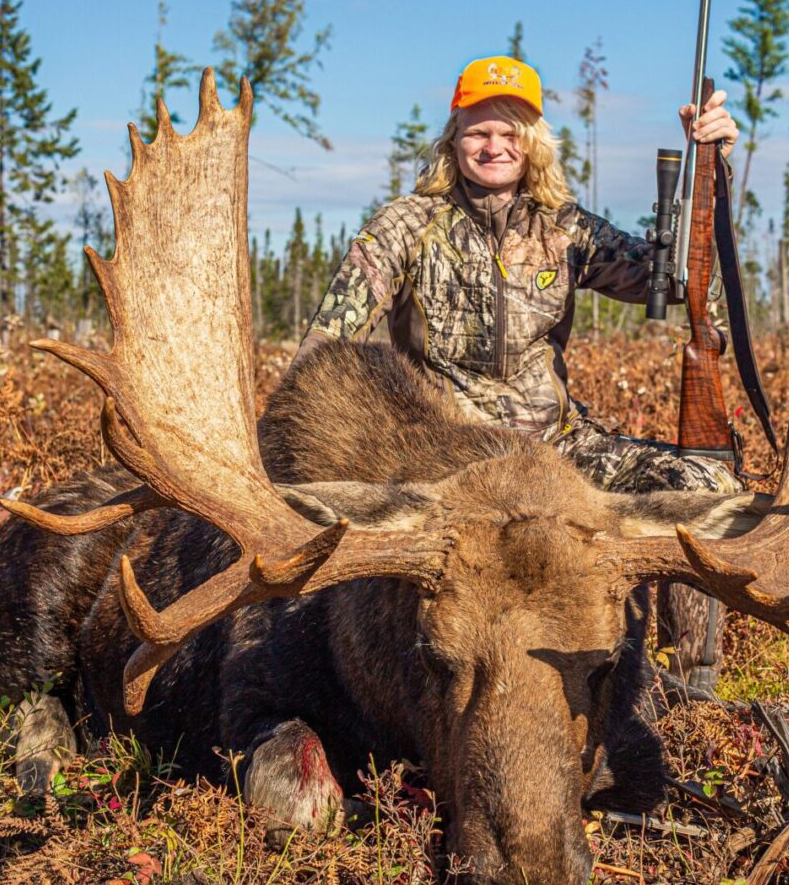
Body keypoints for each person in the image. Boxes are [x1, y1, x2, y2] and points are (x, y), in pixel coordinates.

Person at [299, 55, 741, 696]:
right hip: (454, 463)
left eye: (511, 131)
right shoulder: (406, 226)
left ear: (534, 142)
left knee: (704, 485)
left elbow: (676, 281)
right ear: (453, 137)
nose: (495, 146)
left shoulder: (562, 227)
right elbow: (324, 355)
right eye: (479, 130)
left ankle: (688, 683)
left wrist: (713, 171)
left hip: (563, 449)